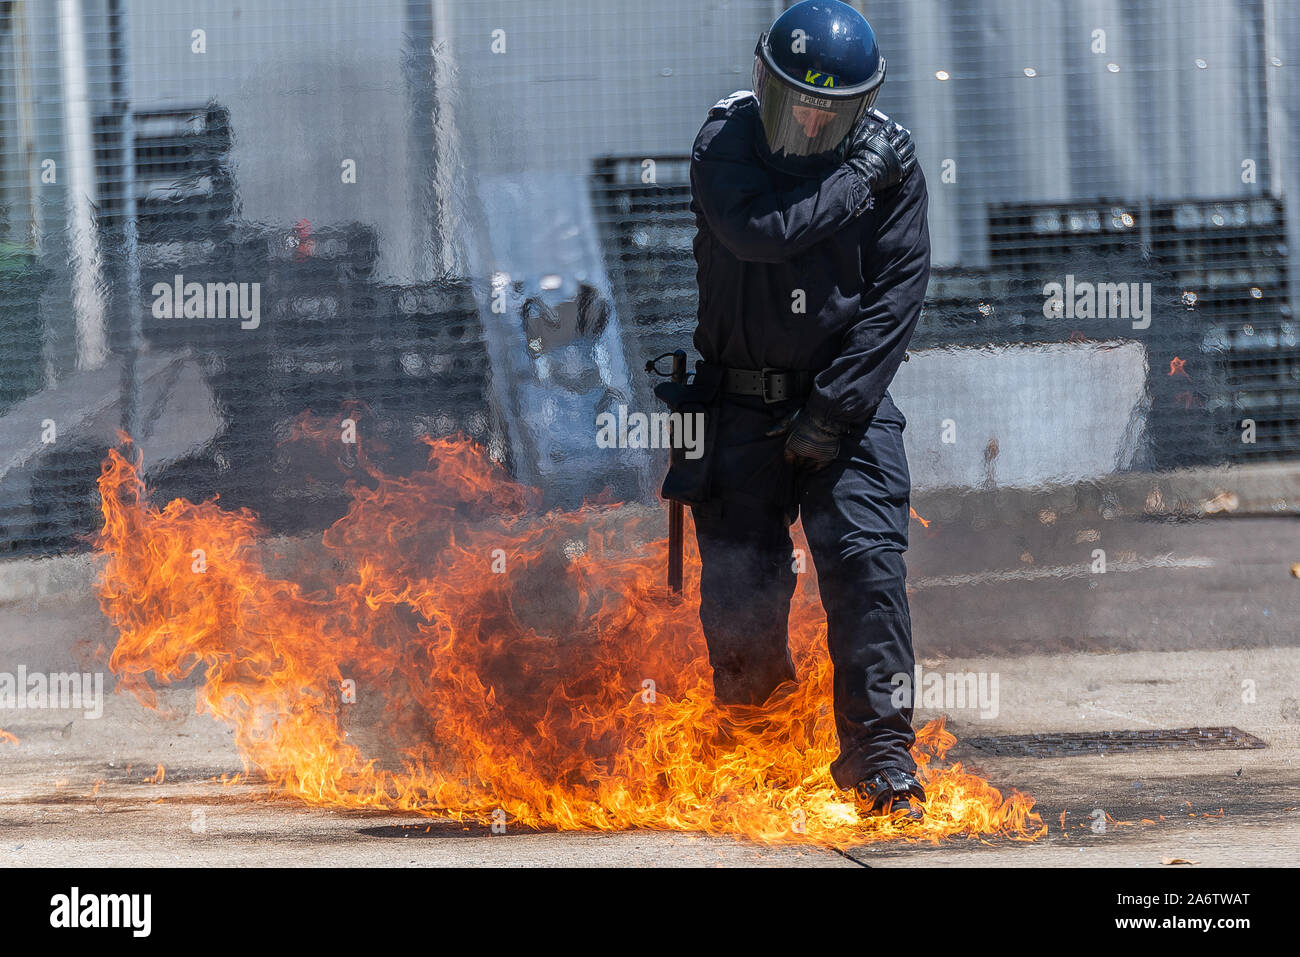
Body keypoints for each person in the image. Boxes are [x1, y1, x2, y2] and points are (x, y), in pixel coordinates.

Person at [685, 0, 931, 820]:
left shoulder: (896, 168)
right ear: (763, 80)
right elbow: (760, 233)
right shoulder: (726, 143)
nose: (808, 125)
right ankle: (758, 750)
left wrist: (833, 409)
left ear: (862, 106)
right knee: (742, 589)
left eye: (829, 114)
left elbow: (896, 301)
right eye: (795, 103)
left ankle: (882, 757)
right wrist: (858, 177)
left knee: (867, 574)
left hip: (848, 410)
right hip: (738, 406)